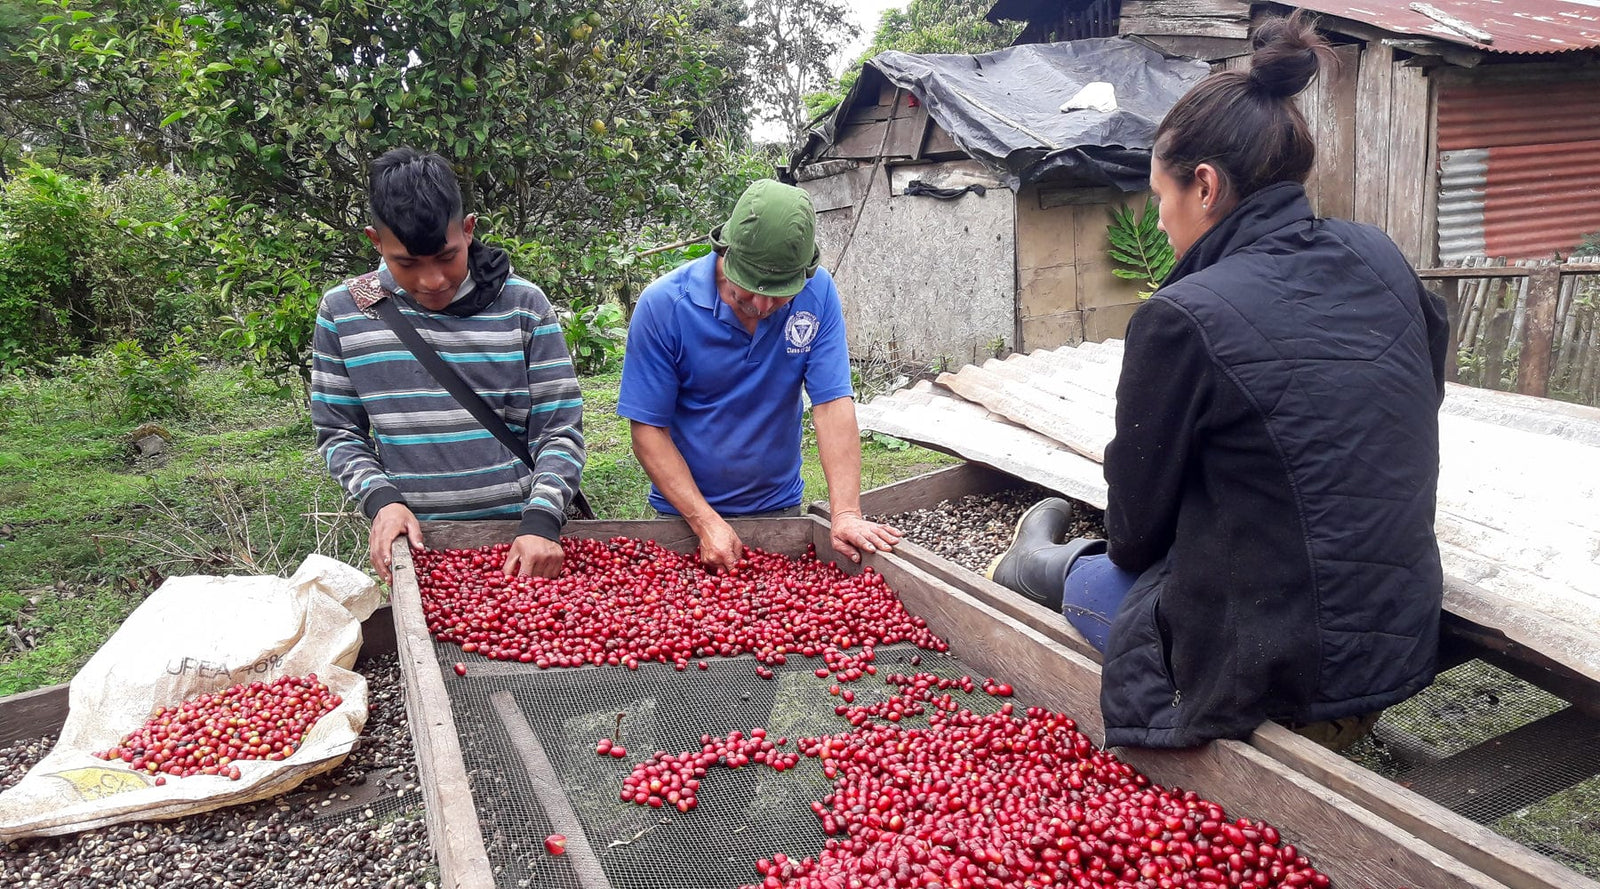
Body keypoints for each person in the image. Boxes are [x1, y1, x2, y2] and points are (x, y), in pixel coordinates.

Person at [988, 14, 1449, 750]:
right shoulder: (1382, 256)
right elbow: (1409, 402)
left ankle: (1033, 565)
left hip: (1271, 666)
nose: (1160, 223)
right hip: (1401, 632)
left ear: (1204, 185)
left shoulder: (1183, 316)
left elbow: (1136, 535)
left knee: (1117, 585)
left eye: (1159, 197)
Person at [311, 148, 585, 584]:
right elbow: (338, 432)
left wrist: (542, 519)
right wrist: (382, 501)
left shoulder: (523, 305)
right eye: (407, 263)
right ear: (375, 241)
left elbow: (559, 429)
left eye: (445, 256)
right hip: (421, 547)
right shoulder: (346, 311)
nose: (432, 281)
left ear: (469, 229)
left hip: (527, 544)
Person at [617, 179, 901, 572]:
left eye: (780, 293)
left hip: (779, 507)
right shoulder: (664, 306)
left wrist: (847, 512)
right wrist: (704, 522)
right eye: (746, 291)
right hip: (681, 517)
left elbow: (832, 403)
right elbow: (648, 429)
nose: (763, 305)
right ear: (725, 255)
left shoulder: (817, 294)